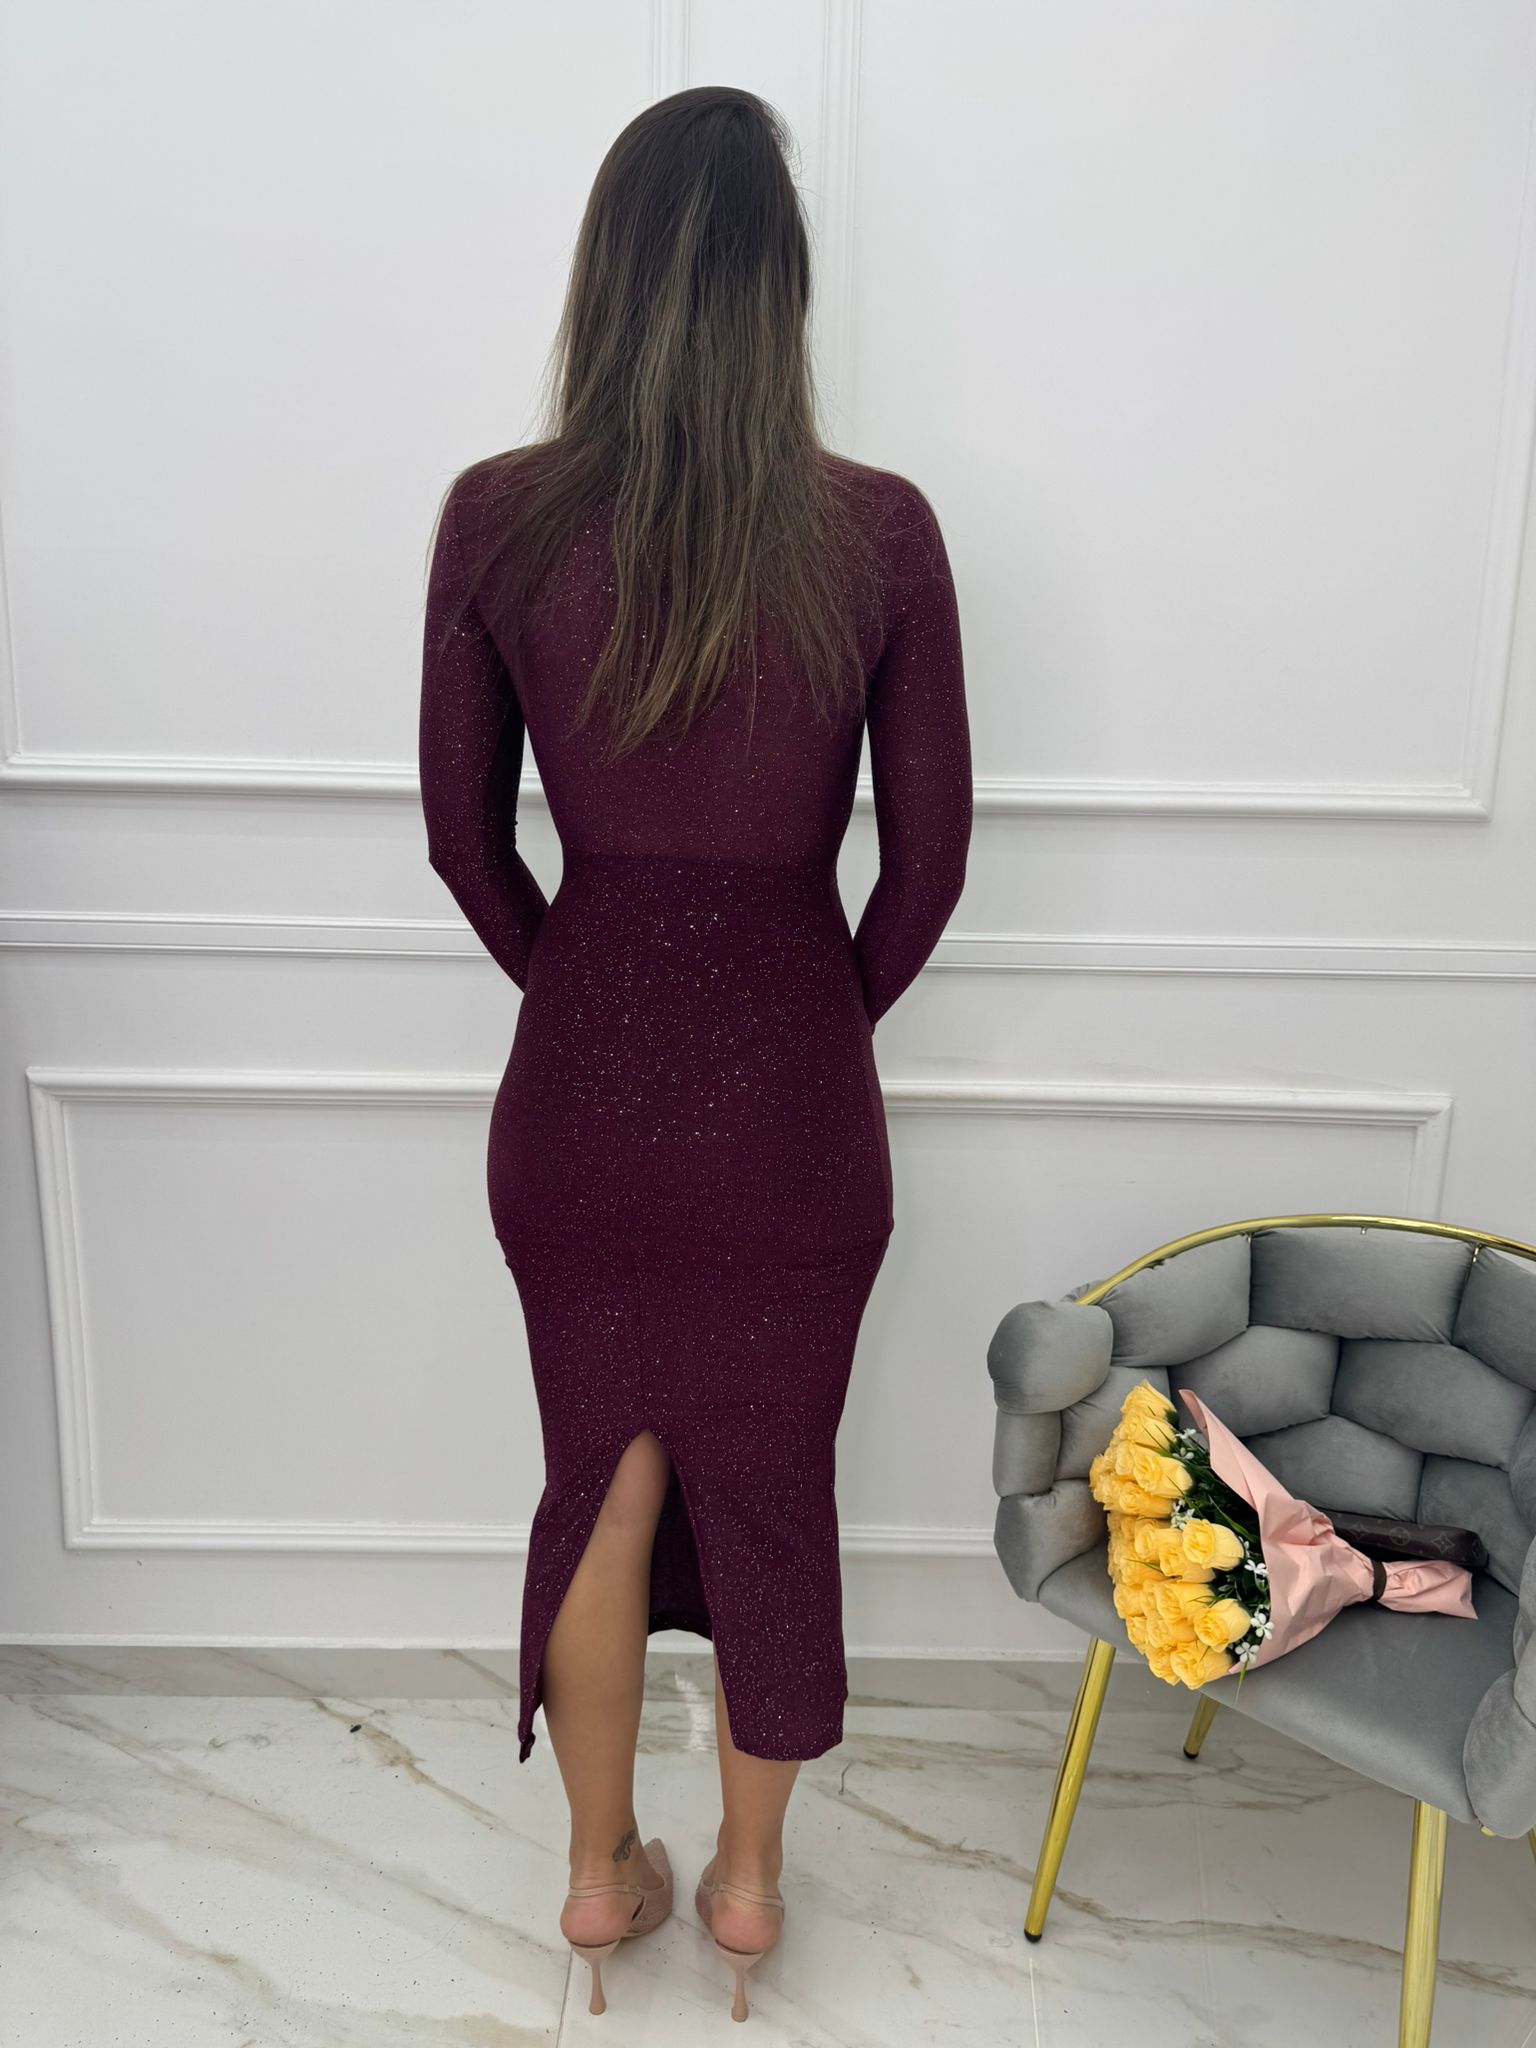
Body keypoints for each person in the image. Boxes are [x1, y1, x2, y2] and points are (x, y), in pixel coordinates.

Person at [417, 84, 971, 2022]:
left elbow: (464, 842)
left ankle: (596, 1876)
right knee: (771, 1482)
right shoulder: (880, 532)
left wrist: (584, 989)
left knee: (603, 1477)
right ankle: (743, 1884)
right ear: (780, 295)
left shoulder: (496, 518)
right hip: (793, 1108)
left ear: (606, 279)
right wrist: (805, 1022)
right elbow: (930, 867)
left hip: (573, 1096)